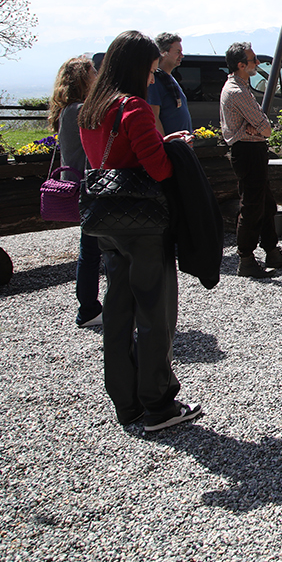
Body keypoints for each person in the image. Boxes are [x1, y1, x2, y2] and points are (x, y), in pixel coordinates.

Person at [78, 30, 201, 432]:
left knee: (118, 311)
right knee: (155, 314)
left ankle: (126, 402)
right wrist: (173, 144)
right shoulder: (132, 108)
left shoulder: (92, 109)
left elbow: (114, 158)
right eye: (150, 71)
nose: (153, 79)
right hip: (143, 223)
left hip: (106, 221)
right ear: (136, 68)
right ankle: (159, 404)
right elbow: (159, 168)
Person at [220, 42, 282, 278]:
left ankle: (271, 250)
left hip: (250, 150)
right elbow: (265, 128)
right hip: (247, 151)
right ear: (241, 65)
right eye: (253, 60)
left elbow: (261, 126)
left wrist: (257, 126)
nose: (257, 63)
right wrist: (256, 127)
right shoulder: (237, 91)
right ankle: (246, 258)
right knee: (252, 206)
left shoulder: (239, 87)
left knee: (265, 203)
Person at [49, 55, 102, 328]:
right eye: (92, 71)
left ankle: (89, 307)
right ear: (83, 78)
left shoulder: (67, 110)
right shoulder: (81, 110)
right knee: (93, 251)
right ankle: (89, 309)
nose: (97, 74)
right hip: (89, 187)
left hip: (78, 185)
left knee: (90, 250)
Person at [147, 32, 192, 135]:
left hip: (180, 146)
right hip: (170, 147)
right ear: (163, 52)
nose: (182, 55)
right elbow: (154, 117)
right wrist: (164, 146)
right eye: (178, 52)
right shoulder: (155, 80)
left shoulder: (169, 79)